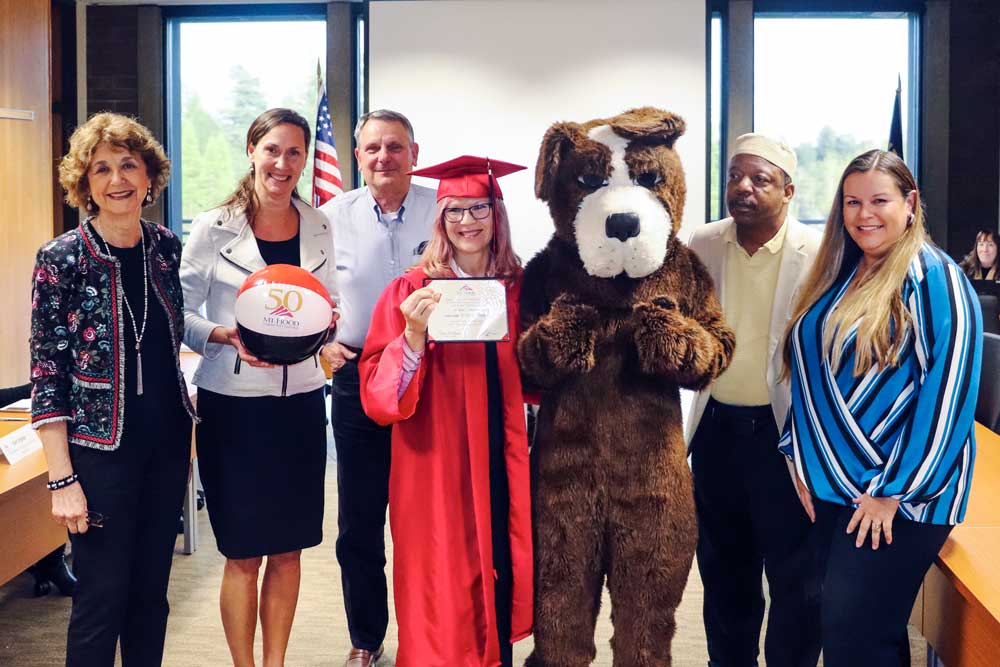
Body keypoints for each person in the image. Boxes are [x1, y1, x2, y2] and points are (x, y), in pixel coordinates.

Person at [780, 149, 982, 666]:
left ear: (910, 203)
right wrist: (799, 457)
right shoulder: (843, 271)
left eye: (879, 200)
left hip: (900, 499)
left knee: (853, 638)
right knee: (868, 635)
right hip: (832, 487)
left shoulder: (936, 277)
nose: (864, 214)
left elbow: (949, 393)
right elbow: (806, 373)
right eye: (852, 202)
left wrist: (893, 492)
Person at [30, 112, 196, 666]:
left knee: (151, 598)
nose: (117, 178)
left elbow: (168, 342)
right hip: (100, 458)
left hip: (166, 448)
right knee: (101, 600)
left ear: (150, 175)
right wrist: (62, 479)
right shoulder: (62, 259)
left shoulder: (166, 248)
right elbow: (48, 372)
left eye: (129, 164)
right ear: (85, 183)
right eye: (101, 168)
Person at [180, 108, 338, 667]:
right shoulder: (212, 226)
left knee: (290, 549)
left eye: (295, 152)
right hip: (234, 409)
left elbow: (326, 302)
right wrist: (222, 334)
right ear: (252, 150)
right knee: (243, 552)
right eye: (273, 149)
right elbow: (179, 312)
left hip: (300, 407)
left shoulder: (319, 224)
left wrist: (328, 326)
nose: (283, 163)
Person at [359, 156, 532, 667]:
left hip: (500, 455)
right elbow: (378, 394)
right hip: (433, 459)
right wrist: (412, 335)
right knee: (439, 570)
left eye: (478, 208)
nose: (466, 221)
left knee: (499, 556)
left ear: (496, 214)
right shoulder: (413, 290)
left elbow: (540, 375)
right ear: (440, 220)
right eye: (454, 211)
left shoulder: (519, 288)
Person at [685, 133, 823, 667]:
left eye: (759, 179)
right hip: (715, 432)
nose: (742, 188)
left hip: (785, 438)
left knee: (796, 582)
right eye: (734, 177)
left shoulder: (816, 253)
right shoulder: (704, 241)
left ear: (787, 191)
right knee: (724, 575)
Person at [318, 109, 436, 667]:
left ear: (415, 152)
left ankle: (429, 634)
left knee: (428, 520)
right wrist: (322, 343)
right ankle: (366, 637)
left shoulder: (447, 209)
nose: (383, 157)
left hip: (432, 381)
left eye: (395, 147)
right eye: (372, 149)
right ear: (358, 157)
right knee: (359, 523)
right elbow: (307, 294)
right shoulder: (328, 218)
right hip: (360, 380)